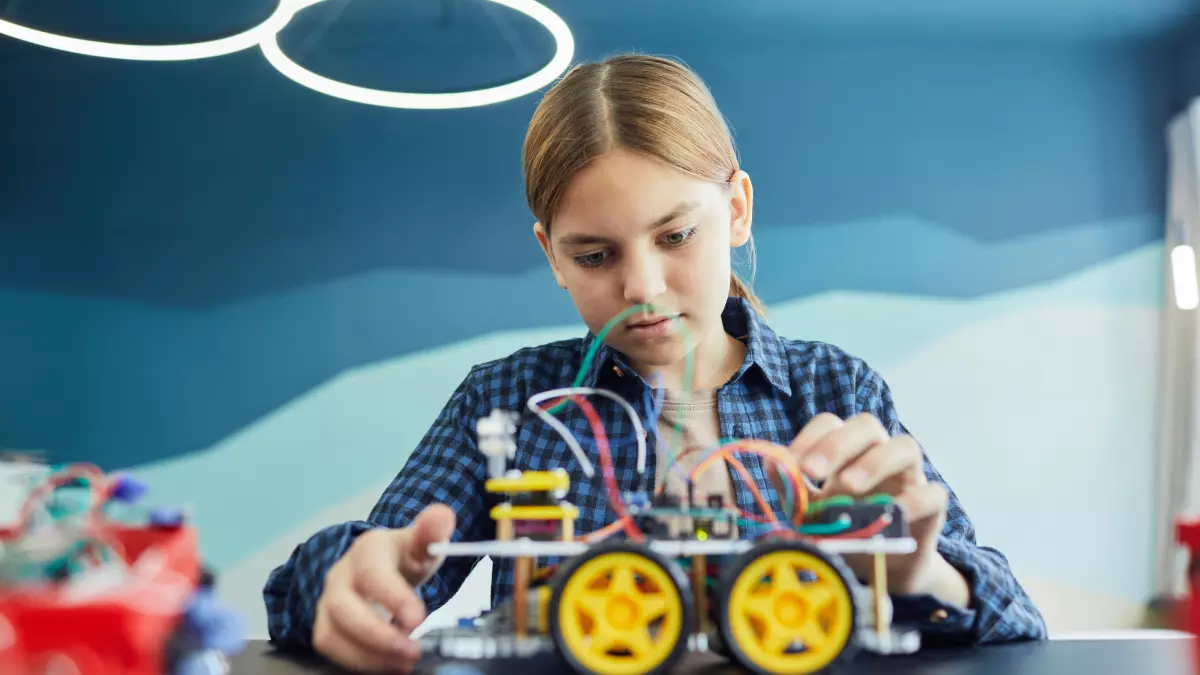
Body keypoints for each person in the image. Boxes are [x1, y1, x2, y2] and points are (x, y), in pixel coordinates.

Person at [263, 53, 1047, 673]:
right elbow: (358, 570)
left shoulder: (836, 389)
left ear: (736, 209)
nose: (641, 286)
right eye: (595, 254)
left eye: (675, 236)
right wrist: (345, 579)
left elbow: (1016, 620)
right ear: (552, 257)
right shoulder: (504, 400)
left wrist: (921, 573)